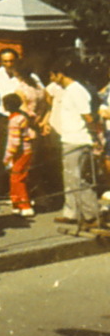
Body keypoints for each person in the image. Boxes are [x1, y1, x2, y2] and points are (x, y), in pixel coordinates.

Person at [46, 56, 101, 229]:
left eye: (53, 77)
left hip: (77, 140)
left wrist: (95, 139)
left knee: (78, 180)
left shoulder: (77, 91)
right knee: (70, 179)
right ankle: (72, 213)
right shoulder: (68, 91)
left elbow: (88, 117)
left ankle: (91, 216)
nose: (52, 81)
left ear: (60, 75)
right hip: (69, 138)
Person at [1, 93, 39, 217]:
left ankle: (25, 205)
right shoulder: (22, 116)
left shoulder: (14, 120)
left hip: (22, 152)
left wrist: (7, 157)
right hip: (26, 150)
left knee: (17, 178)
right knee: (15, 176)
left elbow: (14, 142)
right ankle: (16, 203)